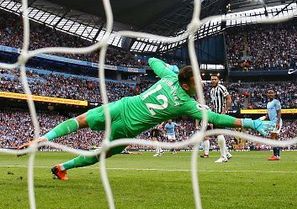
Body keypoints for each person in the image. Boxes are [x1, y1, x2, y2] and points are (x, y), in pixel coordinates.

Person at [18, 58, 275, 180]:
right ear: (187, 84)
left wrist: (170, 69)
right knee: (99, 155)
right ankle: (63, 167)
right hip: (127, 128)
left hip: (122, 106)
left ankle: (44, 139)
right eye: (197, 82)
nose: (201, 85)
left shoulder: (168, 76)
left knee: (80, 120)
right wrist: (250, 123)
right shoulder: (187, 103)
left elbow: (152, 60)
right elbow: (218, 117)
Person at [208, 74, 233, 163]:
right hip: (215, 115)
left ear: (218, 80)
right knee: (217, 134)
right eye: (212, 79)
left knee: (219, 134)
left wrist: (225, 111)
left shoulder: (221, 88)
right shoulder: (211, 91)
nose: (213, 81)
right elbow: (213, 104)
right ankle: (227, 153)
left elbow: (229, 99)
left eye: (215, 79)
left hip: (220, 114)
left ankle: (223, 157)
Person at [261, 89, 282, 161]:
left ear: (274, 94)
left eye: (271, 93)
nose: (270, 94)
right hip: (272, 122)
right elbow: (268, 113)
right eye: (269, 93)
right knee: (275, 138)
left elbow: (279, 112)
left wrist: (278, 122)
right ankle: (277, 155)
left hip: (276, 121)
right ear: (267, 94)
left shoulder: (276, 102)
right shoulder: (268, 103)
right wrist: (264, 117)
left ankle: (275, 155)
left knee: (273, 138)